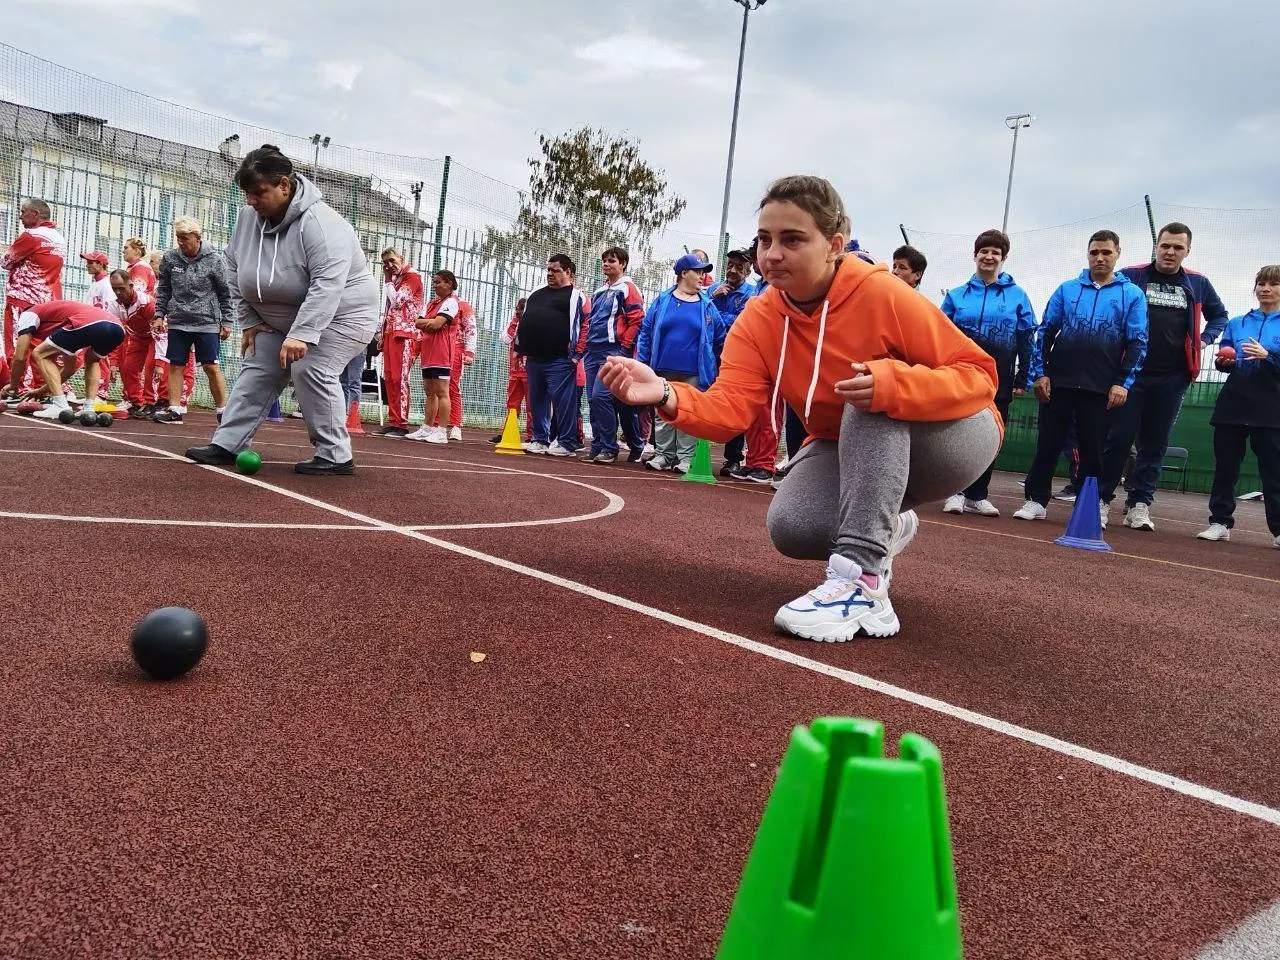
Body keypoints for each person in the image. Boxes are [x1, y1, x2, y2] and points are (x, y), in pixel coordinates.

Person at [601, 175, 1001, 640]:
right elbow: (731, 410)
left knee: (871, 387)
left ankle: (863, 583)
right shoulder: (758, 318)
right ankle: (886, 525)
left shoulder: (883, 294)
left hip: (957, 436)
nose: (772, 254)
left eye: (792, 240)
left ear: (834, 245)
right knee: (793, 526)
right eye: (764, 239)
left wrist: (895, 385)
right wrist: (665, 393)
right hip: (847, 443)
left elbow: (979, 373)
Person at [184, 144, 379, 475]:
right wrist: (249, 321)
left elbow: (328, 285)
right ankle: (228, 443)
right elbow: (233, 269)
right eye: (247, 193)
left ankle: (335, 454)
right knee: (258, 363)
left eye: (259, 192)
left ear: (284, 185)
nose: (251, 200)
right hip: (281, 316)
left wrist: (303, 333)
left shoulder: (322, 225)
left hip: (343, 314)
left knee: (311, 367)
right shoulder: (248, 218)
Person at [1099, 222, 1229, 531]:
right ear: (1156, 246)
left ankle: (1139, 505)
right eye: (1165, 246)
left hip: (1173, 377)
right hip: (1131, 375)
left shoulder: (1197, 282)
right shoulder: (1131, 276)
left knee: (1155, 444)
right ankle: (1101, 500)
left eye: (1177, 247)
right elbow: (1106, 301)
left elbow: (1219, 315)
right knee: (1119, 438)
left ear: (1187, 251)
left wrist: (1203, 340)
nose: (1170, 252)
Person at [1013, 231, 1147, 522]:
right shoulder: (1067, 289)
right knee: (1048, 444)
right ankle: (1036, 500)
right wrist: (1040, 374)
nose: (1100, 258)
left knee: (1093, 451)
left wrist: (1122, 382)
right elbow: (1045, 331)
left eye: (1106, 252)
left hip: (1100, 386)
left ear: (1117, 254)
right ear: (1088, 254)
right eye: (1094, 252)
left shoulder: (1132, 295)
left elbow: (1138, 341)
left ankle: (1088, 507)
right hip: (1059, 382)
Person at [939, 229, 1037, 517]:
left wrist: (1024, 376)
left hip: (999, 378)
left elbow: (1027, 337)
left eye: (996, 252)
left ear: (1003, 258)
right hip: (959, 375)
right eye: (984, 251)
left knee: (991, 434)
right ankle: (955, 492)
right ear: (975, 256)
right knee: (958, 432)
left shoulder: (1018, 296)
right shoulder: (956, 296)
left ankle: (977, 495)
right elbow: (939, 334)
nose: (989, 256)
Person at [1197, 265, 1280, 547]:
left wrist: (1268, 356)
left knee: (1274, 472)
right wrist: (1224, 362)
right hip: (1233, 405)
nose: (1265, 289)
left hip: (1271, 409)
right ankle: (1219, 523)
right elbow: (1225, 359)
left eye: (1273, 284)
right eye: (1261, 283)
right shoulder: (1237, 322)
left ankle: (1278, 530)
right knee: (1226, 468)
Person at [635, 252, 727, 473]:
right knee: (663, 412)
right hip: (662, 368)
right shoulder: (662, 300)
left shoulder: (707, 305)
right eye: (698, 271)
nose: (703, 276)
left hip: (695, 372)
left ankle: (686, 458)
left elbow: (720, 337)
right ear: (684, 273)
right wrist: (643, 361)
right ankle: (663, 454)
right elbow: (646, 331)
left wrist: (715, 366)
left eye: (704, 272)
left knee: (688, 412)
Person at [153, 216, 233, 424]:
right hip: (178, 320)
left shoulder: (215, 260)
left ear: (198, 237)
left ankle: (223, 411)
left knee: (211, 367)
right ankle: (174, 410)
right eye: (178, 237)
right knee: (175, 365)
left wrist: (227, 321)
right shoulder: (170, 259)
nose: (180, 242)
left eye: (185, 238)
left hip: (207, 321)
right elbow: (164, 289)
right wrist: (159, 314)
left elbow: (225, 293)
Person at [578, 246, 645, 463]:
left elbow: (637, 320)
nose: (607, 264)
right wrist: (583, 348)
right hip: (593, 352)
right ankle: (599, 446)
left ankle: (610, 447)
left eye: (612, 261)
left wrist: (624, 350)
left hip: (613, 351)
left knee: (602, 397)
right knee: (595, 400)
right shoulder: (599, 291)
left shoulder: (628, 288)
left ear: (623, 264)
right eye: (605, 260)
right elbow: (591, 321)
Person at [713, 249, 775, 482]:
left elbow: (743, 321)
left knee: (761, 411)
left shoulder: (753, 291)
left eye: (739, 267)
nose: (732, 270)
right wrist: (713, 300)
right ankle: (753, 461)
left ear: (748, 271)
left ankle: (750, 461)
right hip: (716, 356)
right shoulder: (715, 291)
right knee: (738, 408)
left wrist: (718, 315)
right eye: (730, 265)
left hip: (749, 358)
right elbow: (703, 316)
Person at [1, 300, 124, 419]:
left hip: (88, 323)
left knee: (39, 353)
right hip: (117, 328)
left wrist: (13, 385)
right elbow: (69, 369)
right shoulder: (63, 322)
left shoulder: (29, 313)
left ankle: (60, 405)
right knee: (92, 359)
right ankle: (88, 408)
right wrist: (41, 391)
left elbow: (20, 356)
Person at [514, 254, 586, 456]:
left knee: (563, 402)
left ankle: (566, 443)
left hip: (560, 359)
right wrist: (519, 348)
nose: (550, 274)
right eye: (548, 270)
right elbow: (524, 320)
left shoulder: (576, 296)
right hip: (534, 358)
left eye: (556, 270)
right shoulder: (536, 292)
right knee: (537, 400)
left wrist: (577, 354)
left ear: (569, 273)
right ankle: (540, 439)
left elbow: (586, 325)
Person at [1, 198, 65, 389]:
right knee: (38, 347)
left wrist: (21, 261)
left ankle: (18, 388)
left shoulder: (31, 235)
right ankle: (39, 389)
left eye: (23, 212)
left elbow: (5, 261)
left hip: (21, 299)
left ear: (35, 214)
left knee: (16, 345)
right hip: (43, 302)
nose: (20, 216)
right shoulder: (58, 238)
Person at [372, 247, 423, 437]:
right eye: (385, 263)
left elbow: (397, 302)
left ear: (402, 258)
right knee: (390, 378)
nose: (389, 265)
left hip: (405, 334)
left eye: (392, 261)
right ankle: (394, 421)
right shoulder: (396, 280)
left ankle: (401, 423)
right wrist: (382, 332)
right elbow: (388, 309)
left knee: (400, 379)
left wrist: (387, 280)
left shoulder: (412, 277)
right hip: (391, 333)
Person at [406, 270, 460, 445]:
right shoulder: (431, 303)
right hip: (428, 353)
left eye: (438, 282)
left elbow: (437, 324)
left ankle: (442, 431)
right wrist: (429, 323)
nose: (434, 285)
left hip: (442, 353)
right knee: (429, 392)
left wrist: (429, 323)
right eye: (434, 282)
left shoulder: (451, 302)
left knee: (442, 392)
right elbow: (417, 322)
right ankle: (427, 428)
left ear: (449, 283)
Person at [105, 269, 157, 413]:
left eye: (121, 288)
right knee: (128, 367)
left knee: (152, 366)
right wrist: (113, 363)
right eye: (114, 289)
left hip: (156, 337)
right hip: (138, 336)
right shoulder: (113, 306)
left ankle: (152, 403)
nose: (118, 292)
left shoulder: (146, 303)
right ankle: (136, 402)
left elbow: (161, 332)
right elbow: (115, 336)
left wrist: (160, 362)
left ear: (131, 285)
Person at [491, 297, 533, 444]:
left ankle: (533, 436)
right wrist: (516, 321)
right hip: (515, 371)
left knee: (532, 405)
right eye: (518, 309)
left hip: (530, 371)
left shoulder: (535, 323)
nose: (519, 312)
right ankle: (508, 432)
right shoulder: (515, 322)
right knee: (512, 404)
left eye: (522, 309)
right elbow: (506, 338)